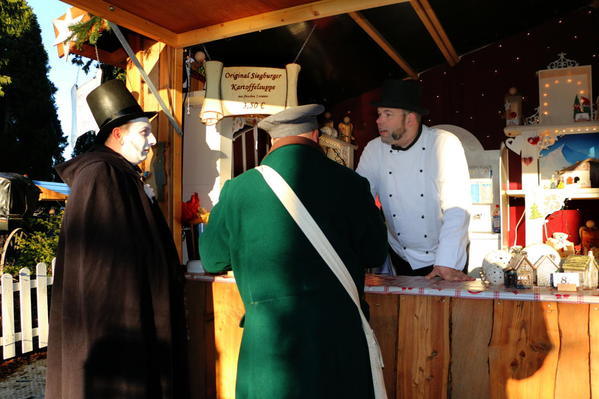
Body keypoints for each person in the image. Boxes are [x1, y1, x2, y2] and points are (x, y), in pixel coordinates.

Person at [200, 104, 387, 399]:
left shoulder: (238, 189)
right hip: (339, 344)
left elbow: (212, 259)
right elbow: (376, 253)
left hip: (270, 347)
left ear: (273, 141)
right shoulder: (352, 184)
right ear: (315, 135)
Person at [46, 80, 188, 399]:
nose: (152, 140)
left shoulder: (120, 173)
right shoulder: (100, 175)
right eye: (144, 132)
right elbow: (101, 271)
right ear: (118, 134)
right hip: (121, 335)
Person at [356, 79, 473, 282]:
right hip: (400, 255)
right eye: (379, 114)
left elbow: (457, 209)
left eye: (387, 114)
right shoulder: (374, 149)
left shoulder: (444, 143)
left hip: (444, 255)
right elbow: (357, 199)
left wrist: (446, 262)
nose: (379, 121)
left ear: (410, 119)